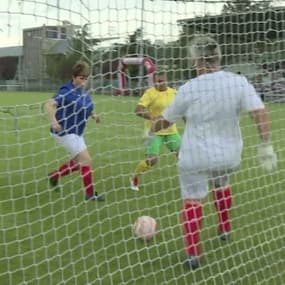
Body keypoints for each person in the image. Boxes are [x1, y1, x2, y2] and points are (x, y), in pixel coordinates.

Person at [152, 36, 277, 269]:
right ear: (218, 58)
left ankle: (193, 254)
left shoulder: (189, 87)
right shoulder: (237, 82)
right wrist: (265, 145)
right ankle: (225, 228)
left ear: (196, 60)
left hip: (195, 156)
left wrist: (151, 131)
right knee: (221, 182)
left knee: (192, 197)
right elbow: (259, 112)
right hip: (228, 156)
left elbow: (166, 120)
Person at [44, 60, 104, 202]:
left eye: (86, 78)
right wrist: (54, 121)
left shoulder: (82, 93)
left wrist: (93, 115)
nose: (83, 81)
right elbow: (49, 104)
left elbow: (83, 107)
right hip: (64, 132)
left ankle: (54, 176)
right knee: (86, 161)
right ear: (74, 77)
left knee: (80, 163)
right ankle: (90, 195)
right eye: (80, 77)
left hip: (77, 132)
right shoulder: (66, 91)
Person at [129, 72, 181, 191]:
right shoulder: (150, 93)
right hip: (154, 132)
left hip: (171, 131)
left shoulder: (174, 93)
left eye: (162, 81)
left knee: (183, 155)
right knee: (152, 160)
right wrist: (152, 117)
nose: (159, 83)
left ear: (166, 80)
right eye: (157, 81)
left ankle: (189, 183)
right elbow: (138, 110)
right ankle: (134, 178)